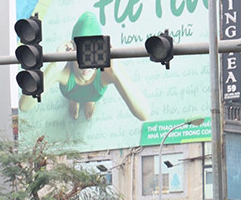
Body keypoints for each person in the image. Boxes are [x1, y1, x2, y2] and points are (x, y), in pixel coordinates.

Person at [18, 12, 149, 122]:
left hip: (94, 92)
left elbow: (144, 114)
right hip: (71, 91)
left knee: (91, 97)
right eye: (82, 55)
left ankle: (89, 101)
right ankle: (74, 101)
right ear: (72, 51)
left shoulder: (107, 70)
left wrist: (116, 73)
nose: (87, 66)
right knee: (73, 97)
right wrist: (55, 65)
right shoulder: (64, 70)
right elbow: (24, 106)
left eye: (93, 55)